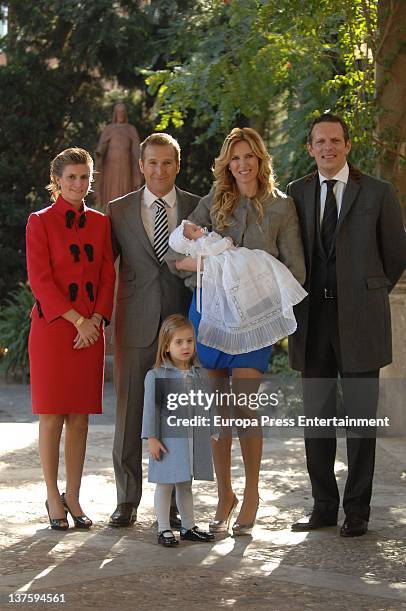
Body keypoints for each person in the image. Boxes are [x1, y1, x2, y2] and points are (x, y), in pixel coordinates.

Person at [167, 127, 305, 535]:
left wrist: (249, 272)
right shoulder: (213, 202)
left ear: (261, 160)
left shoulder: (282, 208)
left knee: (244, 406)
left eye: (250, 157)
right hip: (209, 316)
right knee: (216, 409)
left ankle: (253, 494)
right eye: (235, 158)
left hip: (253, 324)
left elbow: (295, 272)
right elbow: (181, 257)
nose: (242, 165)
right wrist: (211, 266)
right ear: (227, 163)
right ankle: (224, 494)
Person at [287, 112, 406, 537]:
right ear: (310, 148)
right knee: (316, 418)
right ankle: (323, 506)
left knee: (360, 421)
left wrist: (363, 293)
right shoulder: (296, 193)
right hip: (312, 322)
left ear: (347, 145)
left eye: (335, 140)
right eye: (320, 141)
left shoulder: (378, 192)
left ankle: (357, 509)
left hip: (361, 322)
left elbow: (394, 256)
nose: (327, 148)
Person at [106, 133, 200, 527]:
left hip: (180, 324)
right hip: (134, 322)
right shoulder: (118, 210)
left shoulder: (197, 207)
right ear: (141, 166)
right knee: (130, 412)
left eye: (167, 163)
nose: (160, 170)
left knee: (175, 415)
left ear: (177, 165)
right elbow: (100, 266)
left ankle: (174, 500)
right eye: (153, 163)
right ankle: (127, 500)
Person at [26, 147, 116, 530]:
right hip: (53, 330)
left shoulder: (100, 223)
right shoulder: (39, 222)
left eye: (85, 177)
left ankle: (74, 496)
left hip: (90, 331)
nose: (79, 184)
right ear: (57, 181)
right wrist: (78, 320)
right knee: (51, 417)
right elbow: (40, 280)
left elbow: (108, 276)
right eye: (72, 177)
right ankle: (52, 496)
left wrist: (94, 320)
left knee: (79, 418)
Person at [169, 220, 307, 353]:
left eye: (196, 226)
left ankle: (284, 288)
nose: (199, 228)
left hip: (243, 272)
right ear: (189, 241)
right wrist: (226, 241)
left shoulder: (204, 237)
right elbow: (198, 255)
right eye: (194, 230)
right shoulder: (201, 243)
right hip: (226, 262)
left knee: (262, 259)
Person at [141, 314, 215, 546]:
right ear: (166, 346)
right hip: (168, 441)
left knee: (185, 484)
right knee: (165, 484)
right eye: (179, 342)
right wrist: (151, 437)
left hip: (191, 440)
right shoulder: (156, 376)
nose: (185, 347)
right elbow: (150, 410)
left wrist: (212, 429)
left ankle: (188, 526)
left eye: (189, 341)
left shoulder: (199, 374)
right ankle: (163, 529)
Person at [95, 102, 141, 209]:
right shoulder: (109, 129)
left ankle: (124, 211)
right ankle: (109, 209)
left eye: (122, 112)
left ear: (125, 114)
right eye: (118, 112)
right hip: (110, 164)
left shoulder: (131, 129)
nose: (120, 115)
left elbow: (136, 149)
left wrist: (139, 163)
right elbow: (103, 145)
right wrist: (99, 153)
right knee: (111, 188)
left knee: (125, 186)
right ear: (115, 114)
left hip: (126, 163)